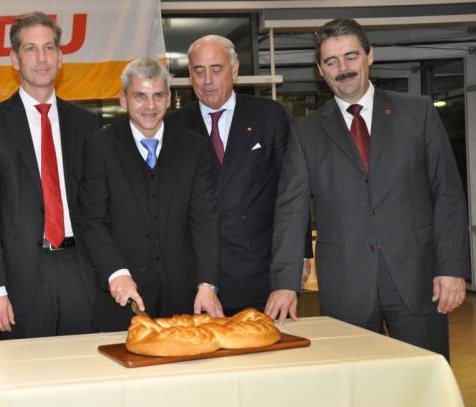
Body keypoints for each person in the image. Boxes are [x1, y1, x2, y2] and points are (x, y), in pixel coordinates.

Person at [265, 18, 469, 360]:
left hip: (417, 278)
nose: (343, 69)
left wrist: (451, 267)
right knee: (358, 382)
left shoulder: (418, 113)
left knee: (422, 378)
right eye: (332, 62)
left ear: (369, 55)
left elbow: (447, 195)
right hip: (346, 284)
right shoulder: (305, 133)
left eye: (351, 56)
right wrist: (285, 283)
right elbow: (291, 211)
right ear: (321, 70)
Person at [0, 11, 99, 339]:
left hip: (82, 273)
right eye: (30, 49)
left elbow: (99, 208)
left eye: (49, 47)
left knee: (84, 367)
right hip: (19, 282)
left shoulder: (87, 124)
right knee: (27, 369)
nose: (42, 58)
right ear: (14, 59)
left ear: (61, 57)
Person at [167, 35, 313, 316]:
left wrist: (301, 254)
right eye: (199, 70)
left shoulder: (269, 115)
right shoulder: (174, 127)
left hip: (260, 276)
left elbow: (292, 191)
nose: (207, 80)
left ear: (234, 69)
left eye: (216, 69)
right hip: (197, 280)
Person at [77, 57, 223, 332]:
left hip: (185, 300)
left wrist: (207, 284)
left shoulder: (194, 148)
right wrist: (116, 273)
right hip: (122, 298)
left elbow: (204, 218)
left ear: (168, 99)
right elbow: (91, 221)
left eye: (157, 95)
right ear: (123, 99)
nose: (150, 105)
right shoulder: (100, 147)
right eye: (140, 96)